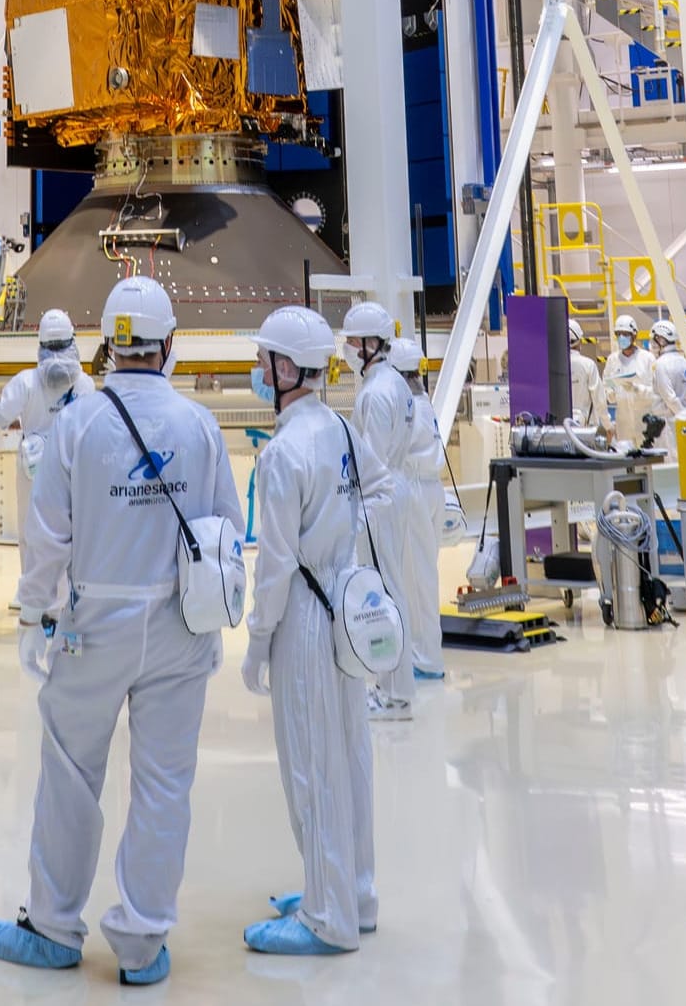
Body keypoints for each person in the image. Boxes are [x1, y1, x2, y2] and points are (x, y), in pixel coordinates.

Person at [0, 275, 242, 987]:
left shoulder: (78, 425)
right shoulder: (199, 425)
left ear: (107, 345)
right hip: (180, 628)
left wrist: (33, 613)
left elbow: (47, 539)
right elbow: (226, 528)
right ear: (170, 344)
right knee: (164, 784)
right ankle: (142, 943)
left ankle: (52, 926)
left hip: (93, 627)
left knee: (69, 775)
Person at [240, 306, 377, 957]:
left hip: (304, 616)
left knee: (312, 766)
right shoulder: (341, 430)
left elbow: (274, 564)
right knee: (348, 757)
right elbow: (373, 499)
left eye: (263, 358)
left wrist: (257, 640)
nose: (257, 369)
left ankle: (327, 917)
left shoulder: (284, 454)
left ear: (286, 368)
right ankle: (354, 892)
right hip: (345, 610)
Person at [0, 308, 92, 591]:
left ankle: (34, 596)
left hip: (33, 467)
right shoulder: (85, 384)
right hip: (72, 467)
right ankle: (68, 598)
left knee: (31, 532)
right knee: (72, 532)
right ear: (72, 341)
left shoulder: (25, 381)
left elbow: (0, 414)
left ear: (40, 344)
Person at [342, 301, 416, 719]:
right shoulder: (394, 384)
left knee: (383, 593)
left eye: (353, 342)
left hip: (379, 496)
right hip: (396, 488)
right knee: (393, 588)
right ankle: (395, 686)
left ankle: (393, 693)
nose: (349, 350)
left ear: (372, 343)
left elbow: (370, 459)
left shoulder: (375, 393)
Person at [386, 338, 446, 682]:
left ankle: (426, 659)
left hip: (416, 491)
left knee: (418, 578)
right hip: (431, 489)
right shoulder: (424, 402)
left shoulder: (407, 406)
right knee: (423, 575)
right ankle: (423, 652)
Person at [601, 312, 658, 448]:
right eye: (619, 334)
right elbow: (607, 386)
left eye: (625, 334)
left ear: (634, 335)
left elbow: (656, 392)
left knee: (648, 456)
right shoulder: (612, 360)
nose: (622, 337)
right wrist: (613, 392)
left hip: (644, 421)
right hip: (623, 424)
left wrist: (637, 389)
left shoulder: (647, 359)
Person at [649, 318, 686, 444]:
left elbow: (670, 398)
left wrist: (684, 418)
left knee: (671, 456)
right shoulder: (685, 361)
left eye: (653, 340)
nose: (651, 344)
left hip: (669, 426)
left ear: (661, 340)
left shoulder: (661, 364)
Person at [568, 330, 609, 435]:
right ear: (579, 341)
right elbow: (599, 399)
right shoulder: (588, 365)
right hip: (586, 430)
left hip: (559, 429)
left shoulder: (551, 365)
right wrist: (607, 425)